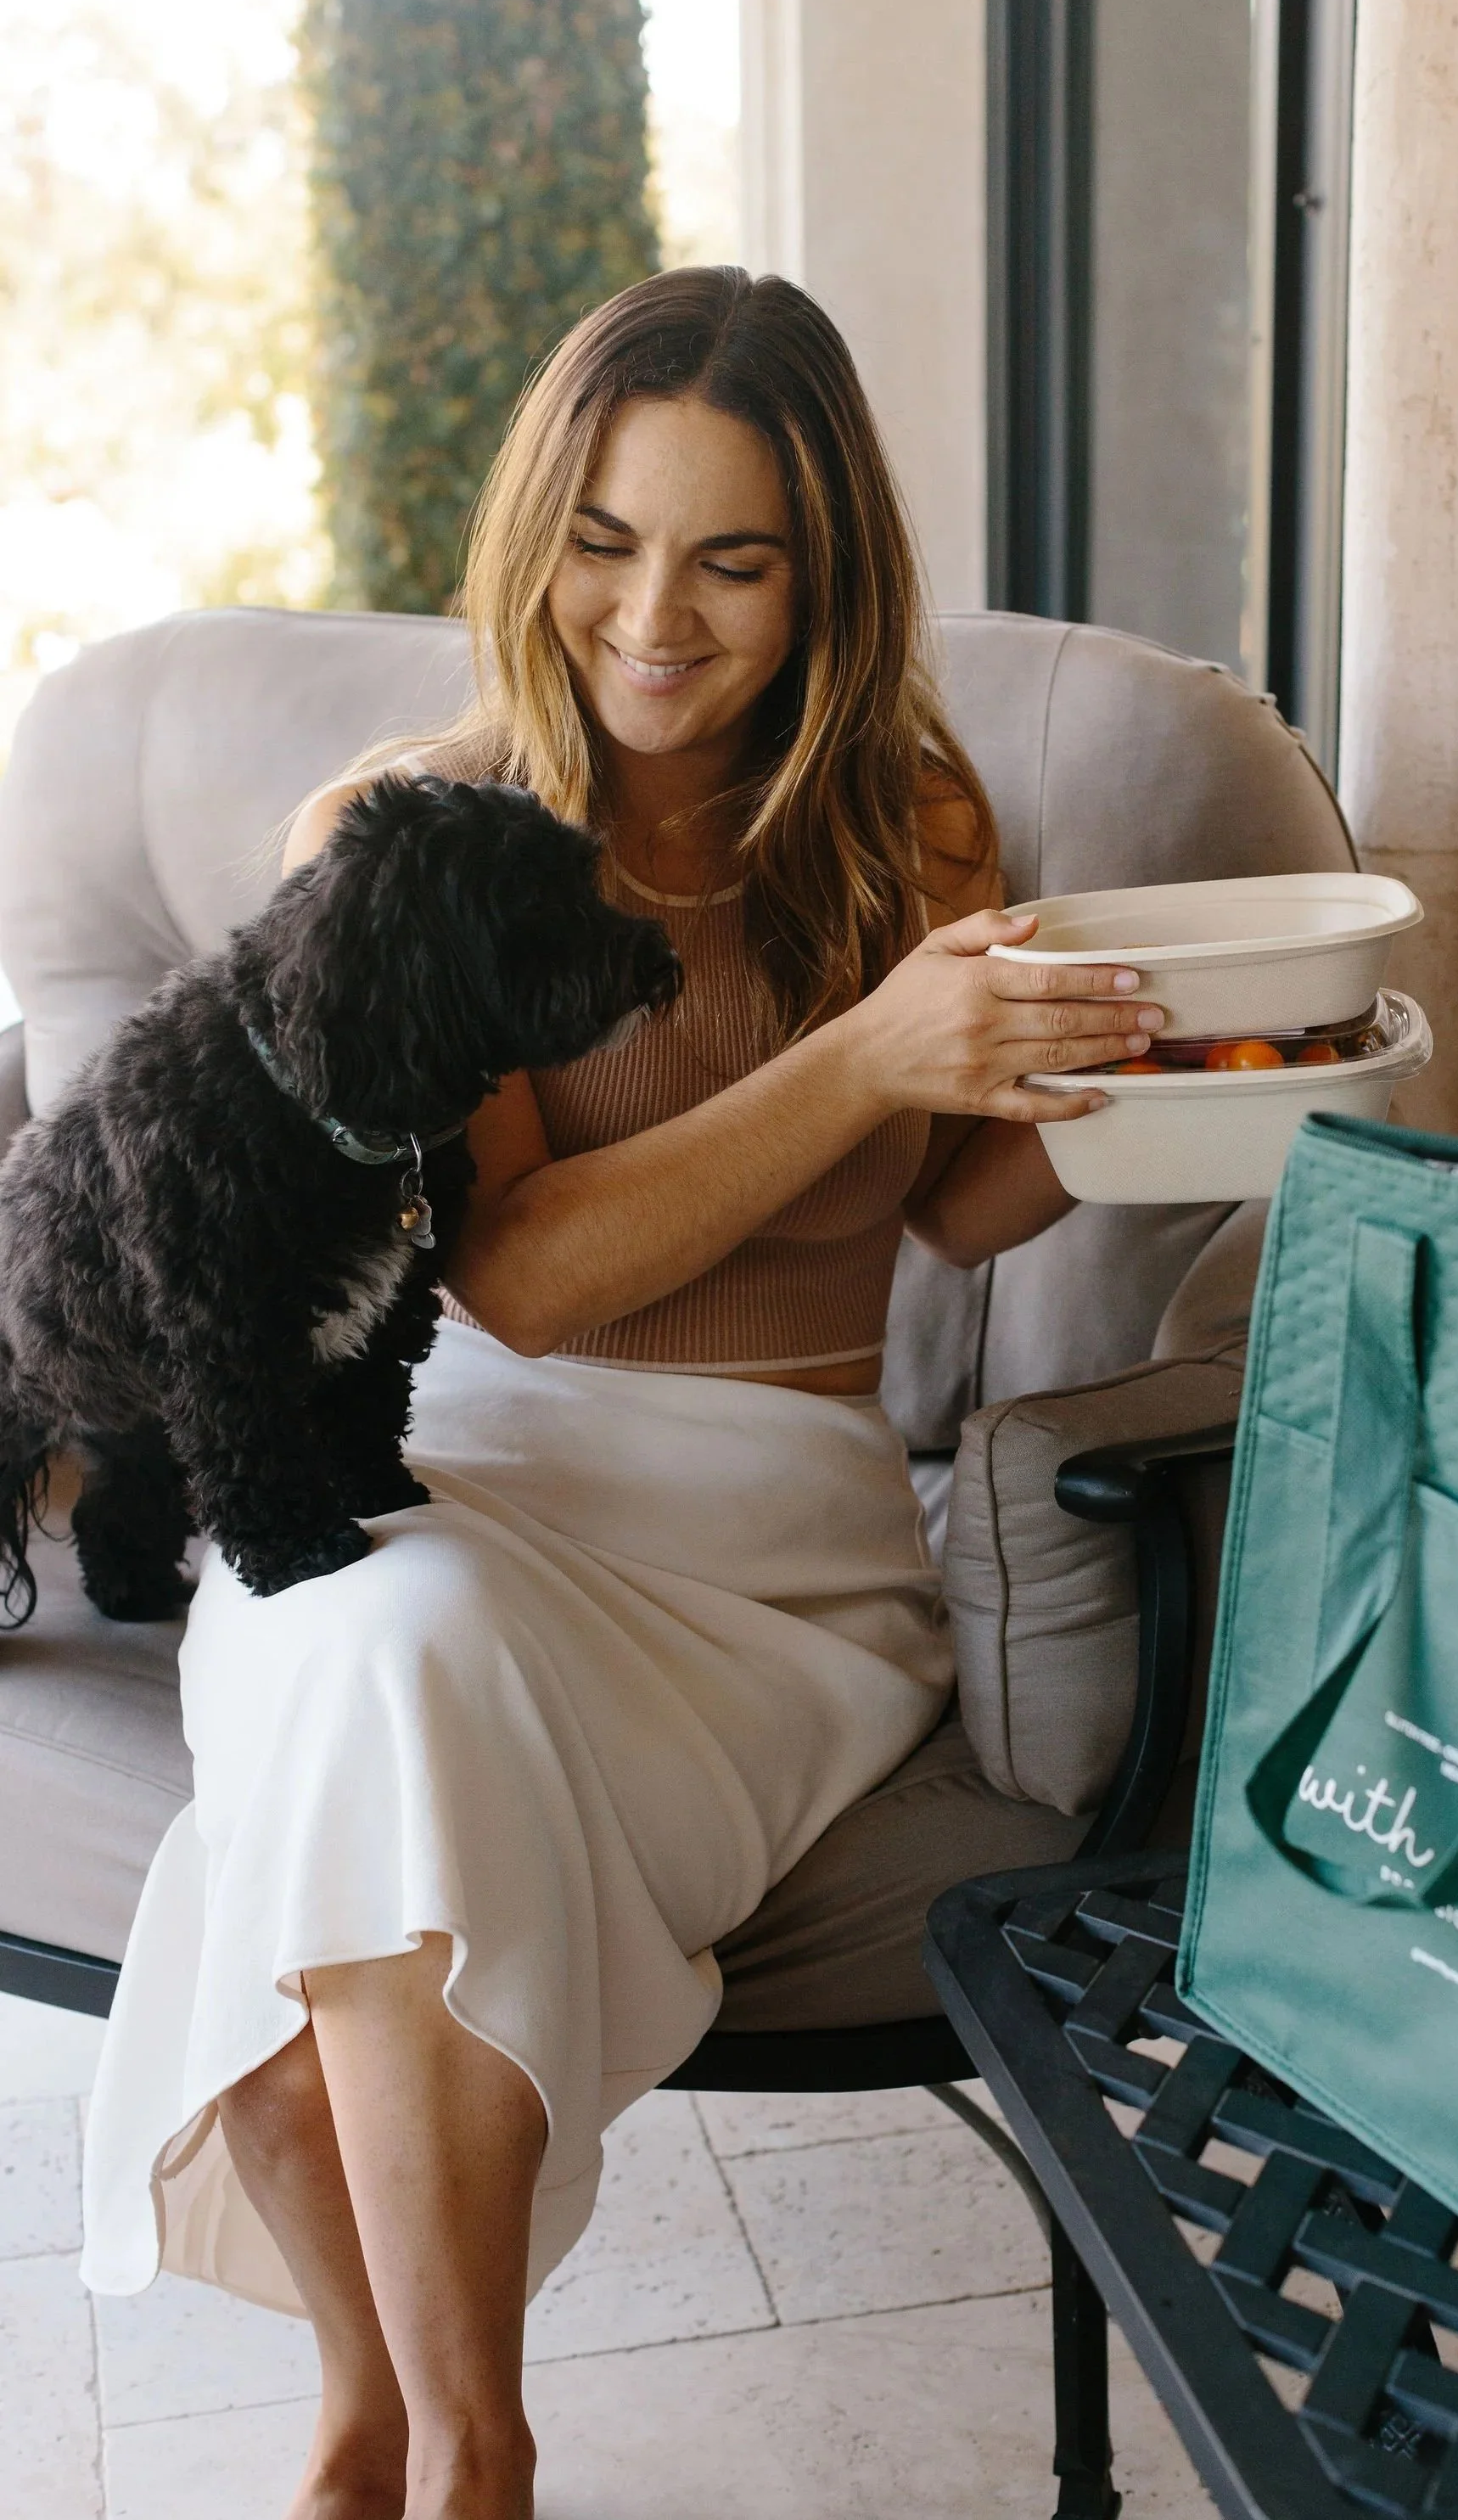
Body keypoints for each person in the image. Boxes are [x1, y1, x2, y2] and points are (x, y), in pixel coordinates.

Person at [79, 267, 1164, 2520]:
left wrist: (1150, 1080)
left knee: (343, 1797)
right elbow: (524, 1276)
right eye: (603, 535)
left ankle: (396, 2436)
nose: (652, 613)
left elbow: (946, 1215)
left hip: (773, 1544)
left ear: (823, 575)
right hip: (449, 1460)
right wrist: (869, 1050)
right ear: (532, 530)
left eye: (733, 557)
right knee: (380, 1644)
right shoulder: (398, 840)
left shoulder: (914, 830)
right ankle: (455, 2441)